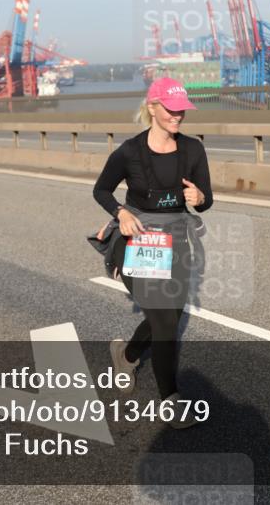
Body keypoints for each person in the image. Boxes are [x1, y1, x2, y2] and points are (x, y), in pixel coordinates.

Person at [92, 78, 213, 429]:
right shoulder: (129, 152)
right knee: (163, 323)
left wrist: (200, 200)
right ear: (153, 108)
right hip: (137, 243)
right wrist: (121, 213)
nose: (178, 116)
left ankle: (125, 354)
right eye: (172, 109)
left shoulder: (193, 150)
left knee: (169, 320)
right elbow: (101, 190)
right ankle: (171, 401)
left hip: (176, 244)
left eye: (182, 110)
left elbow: (207, 198)